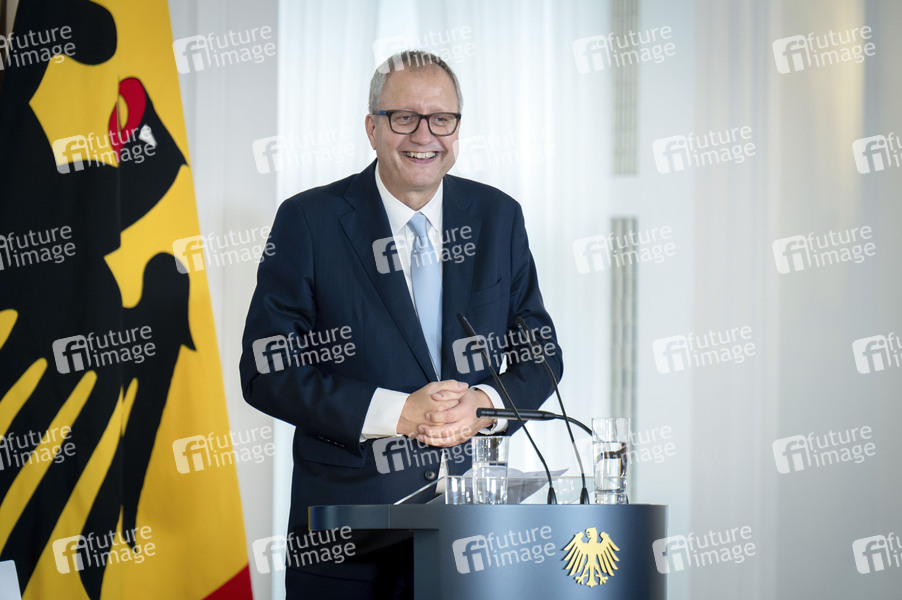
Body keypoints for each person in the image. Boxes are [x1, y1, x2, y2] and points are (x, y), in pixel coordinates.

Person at [239, 50, 563, 599]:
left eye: (442, 119)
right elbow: (266, 370)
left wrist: (483, 404)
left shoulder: (498, 217)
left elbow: (540, 354)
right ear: (372, 128)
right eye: (404, 117)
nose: (424, 135)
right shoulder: (309, 221)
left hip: (473, 535)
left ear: (457, 129)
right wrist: (398, 412)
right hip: (346, 539)